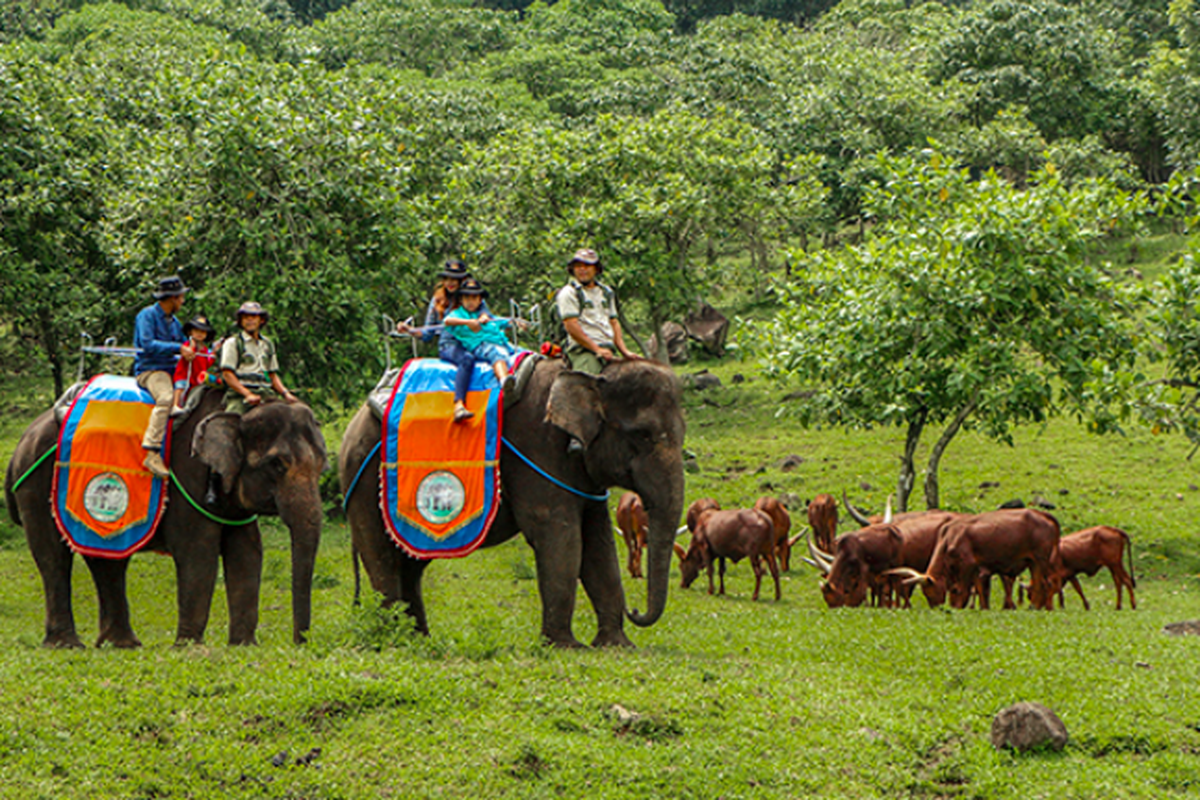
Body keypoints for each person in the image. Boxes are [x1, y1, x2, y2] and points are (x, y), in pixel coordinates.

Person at [397, 259, 490, 420]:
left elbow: (487, 316)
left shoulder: (473, 296)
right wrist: (410, 330)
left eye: (454, 279)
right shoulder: (437, 300)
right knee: (467, 359)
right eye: (447, 279)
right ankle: (459, 405)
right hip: (450, 345)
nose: (450, 283)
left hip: (473, 343)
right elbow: (427, 334)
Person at [133, 275, 195, 478]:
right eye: (181, 298)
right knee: (166, 398)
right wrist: (178, 348)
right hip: (151, 370)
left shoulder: (174, 322)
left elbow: (185, 343)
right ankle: (151, 450)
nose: (183, 302)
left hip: (172, 370)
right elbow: (147, 344)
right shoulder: (147, 315)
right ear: (173, 298)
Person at [443, 277, 524, 422]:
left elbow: (502, 321)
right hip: (482, 345)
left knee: (525, 353)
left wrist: (516, 322)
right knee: (496, 354)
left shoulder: (485, 314)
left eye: (474, 297)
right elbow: (447, 321)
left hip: (504, 344)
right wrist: (468, 323)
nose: (470, 301)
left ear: (480, 300)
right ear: (461, 299)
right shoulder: (459, 314)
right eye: (466, 297)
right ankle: (504, 381)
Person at [555, 248, 637, 375]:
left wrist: (624, 351)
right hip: (583, 350)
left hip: (608, 349)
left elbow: (614, 322)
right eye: (578, 266)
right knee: (585, 385)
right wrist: (596, 349)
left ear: (596, 269)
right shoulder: (569, 293)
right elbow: (571, 325)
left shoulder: (606, 292)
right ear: (573, 270)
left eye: (587, 265)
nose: (582, 269)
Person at [219, 302, 298, 414]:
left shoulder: (267, 344)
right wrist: (247, 394)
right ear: (240, 321)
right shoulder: (233, 343)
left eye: (254, 317)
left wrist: (286, 393)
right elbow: (227, 374)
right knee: (231, 421)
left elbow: (272, 375)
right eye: (246, 317)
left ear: (261, 320)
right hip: (240, 396)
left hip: (266, 393)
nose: (249, 320)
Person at [171, 315, 215, 415]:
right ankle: (175, 405)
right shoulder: (188, 344)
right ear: (190, 332)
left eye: (203, 331)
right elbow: (187, 356)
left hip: (197, 378)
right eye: (197, 330)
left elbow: (207, 363)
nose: (199, 334)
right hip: (185, 375)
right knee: (180, 387)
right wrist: (190, 350)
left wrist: (213, 356)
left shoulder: (204, 350)